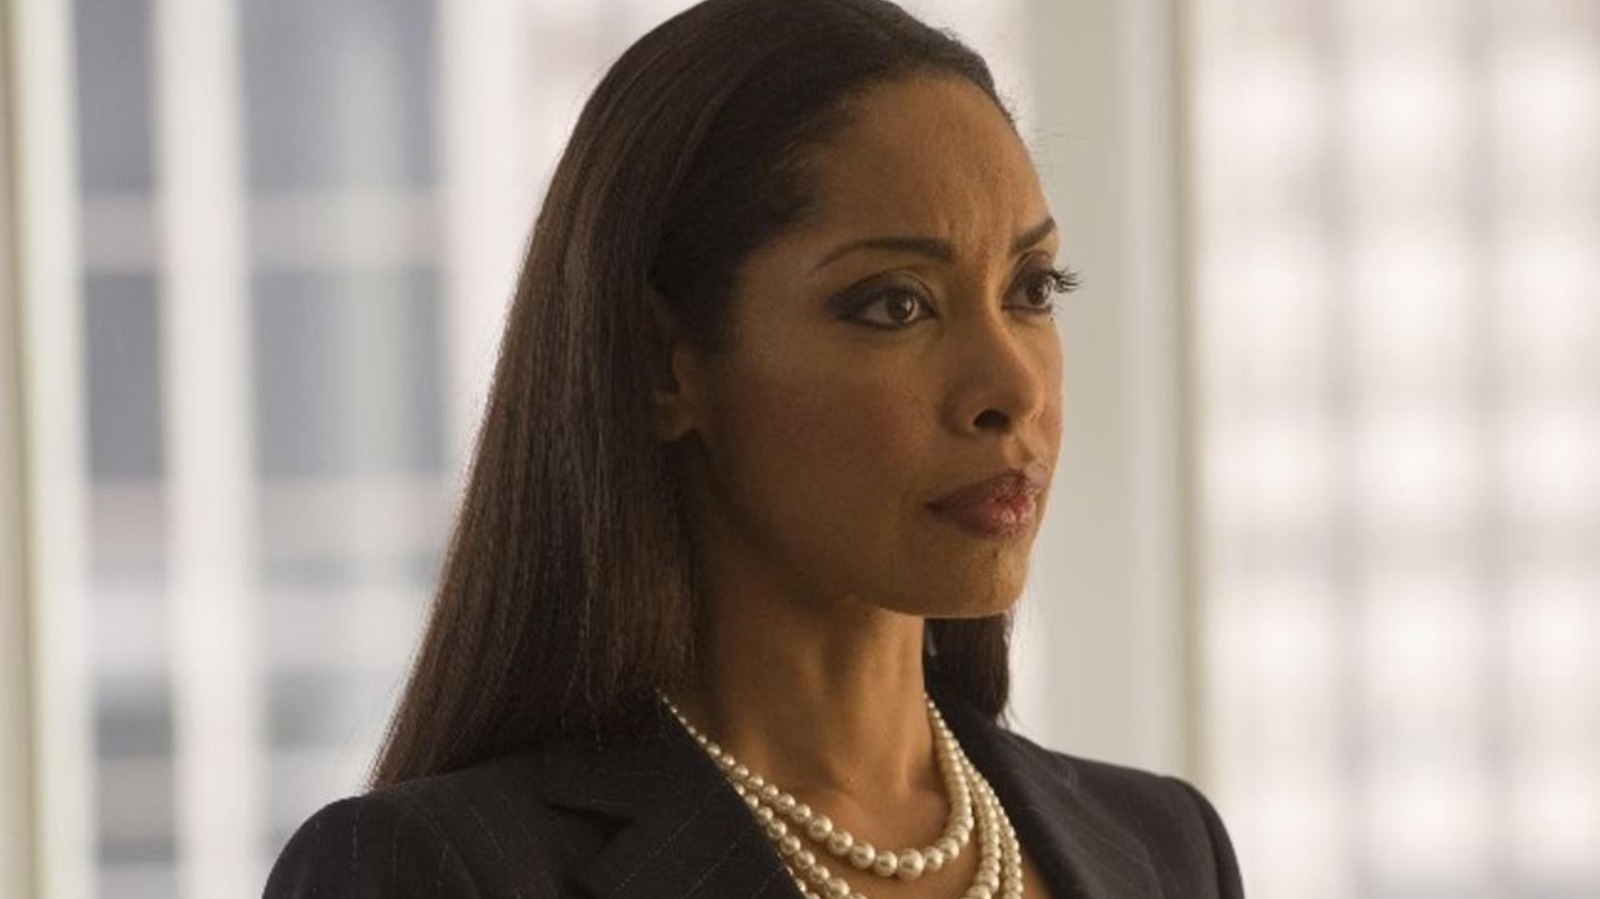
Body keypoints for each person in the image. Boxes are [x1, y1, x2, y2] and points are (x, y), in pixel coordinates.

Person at [264, 0, 1244, 896]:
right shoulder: (433, 870)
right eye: (895, 304)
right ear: (668, 367)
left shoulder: (1167, 851)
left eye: (1031, 290)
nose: (1014, 387)